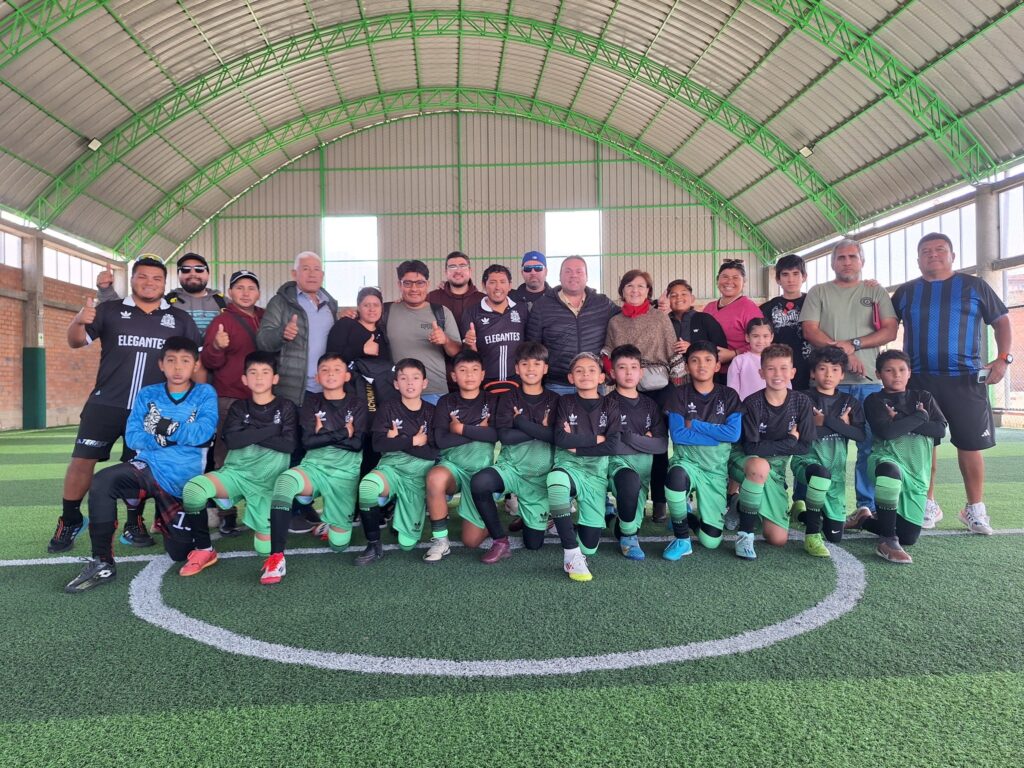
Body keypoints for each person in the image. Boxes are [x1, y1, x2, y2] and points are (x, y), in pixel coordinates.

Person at [48, 256, 203, 554]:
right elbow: (76, 341)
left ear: (164, 283)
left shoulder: (180, 319)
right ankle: (69, 520)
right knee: (82, 461)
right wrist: (79, 320)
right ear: (132, 280)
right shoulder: (109, 310)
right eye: (143, 277)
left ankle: (134, 523)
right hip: (106, 405)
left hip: (153, 412)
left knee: (141, 468)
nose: (149, 282)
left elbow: (195, 362)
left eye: (156, 278)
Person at [63, 337, 218, 592]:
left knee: (180, 552)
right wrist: (177, 433)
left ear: (195, 365)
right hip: (147, 467)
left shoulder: (204, 393)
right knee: (103, 481)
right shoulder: (148, 394)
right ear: (161, 364)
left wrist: (160, 427)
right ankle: (102, 562)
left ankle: (166, 520)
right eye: (171, 361)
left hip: (182, 481)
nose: (178, 367)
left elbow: (202, 434)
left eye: (185, 361)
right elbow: (134, 436)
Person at [890, 232, 1012, 535]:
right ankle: (927, 503)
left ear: (952, 256)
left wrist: (1004, 358)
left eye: (940, 250)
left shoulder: (975, 286)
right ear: (918, 259)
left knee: (970, 444)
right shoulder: (905, 292)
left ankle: (975, 509)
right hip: (919, 380)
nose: (933, 254)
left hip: (965, 378)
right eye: (926, 251)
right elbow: (883, 325)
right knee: (923, 444)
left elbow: (1002, 321)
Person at [801, 238, 898, 518]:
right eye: (841, 257)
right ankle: (817, 506)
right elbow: (810, 330)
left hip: (868, 384)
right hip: (827, 386)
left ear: (862, 261)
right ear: (832, 263)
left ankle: (866, 505)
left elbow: (890, 331)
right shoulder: (819, 292)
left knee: (869, 446)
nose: (846, 262)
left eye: (852, 257)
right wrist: (841, 354)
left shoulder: (875, 291)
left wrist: (851, 344)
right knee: (821, 448)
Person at [181, 351, 297, 566]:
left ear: (275, 378)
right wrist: (272, 429)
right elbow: (232, 442)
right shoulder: (238, 407)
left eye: (265, 372)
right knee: (193, 490)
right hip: (235, 474)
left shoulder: (286, 407)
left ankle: (245, 512)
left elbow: (288, 445)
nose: (259, 377)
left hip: (268, 482)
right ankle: (205, 549)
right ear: (244, 379)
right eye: (253, 372)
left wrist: (249, 432)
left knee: (264, 550)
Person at [264, 353, 368, 584]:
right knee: (285, 481)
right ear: (317, 377)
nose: (331, 374)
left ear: (347, 375)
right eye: (325, 369)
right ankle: (276, 558)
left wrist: (324, 434)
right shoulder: (311, 401)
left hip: (344, 474)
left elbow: (357, 444)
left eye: (336, 369)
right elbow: (308, 442)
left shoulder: (358, 404)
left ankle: (328, 523)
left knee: (339, 545)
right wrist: (343, 432)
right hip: (314, 467)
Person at [846, 350, 947, 564]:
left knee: (909, 536)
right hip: (885, 461)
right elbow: (886, 432)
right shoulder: (875, 400)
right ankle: (887, 541)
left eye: (902, 370)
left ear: (909, 373)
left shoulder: (923, 397)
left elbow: (939, 430)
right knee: (889, 470)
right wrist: (920, 417)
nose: (896, 375)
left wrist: (900, 418)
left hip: (916, 470)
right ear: (879, 374)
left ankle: (864, 520)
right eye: (889, 370)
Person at [470, 342, 560, 563]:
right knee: (480, 483)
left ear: (545, 368)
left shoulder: (556, 400)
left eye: (537, 364)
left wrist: (520, 422)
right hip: (511, 468)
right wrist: (540, 428)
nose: (531, 368)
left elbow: (556, 437)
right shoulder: (508, 398)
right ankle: (500, 541)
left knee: (533, 544)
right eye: (525, 363)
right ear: (517, 369)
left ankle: (533, 516)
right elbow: (505, 437)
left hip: (540, 477)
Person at [728, 344, 816, 561]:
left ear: (793, 372)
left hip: (775, 469)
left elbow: (805, 445)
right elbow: (751, 448)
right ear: (761, 372)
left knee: (777, 539)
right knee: (760, 465)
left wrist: (787, 443)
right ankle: (745, 535)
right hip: (745, 462)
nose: (778, 374)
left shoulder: (802, 401)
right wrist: (790, 440)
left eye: (784, 368)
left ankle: (740, 503)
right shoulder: (752, 403)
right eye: (771, 369)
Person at [354, 358, 439, 566]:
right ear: (395, 383)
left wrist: (398, 441)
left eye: (415, 378)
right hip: (391, 468)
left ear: (424, 383)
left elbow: (433, 453)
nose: (410, 383)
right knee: (367, 487)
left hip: (417, 475)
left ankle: (400, 510)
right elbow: (378, 444)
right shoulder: (387, 408)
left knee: (407, 544)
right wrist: (413, 440)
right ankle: (373, 543)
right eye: (404, 378)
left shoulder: (432, 412)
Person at [545, 353, 621, 582]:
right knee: (556, 481)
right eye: (579, 370)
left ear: (601, 377)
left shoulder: (611, 404)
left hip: (595, 474)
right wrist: (596, 438)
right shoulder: (564, 402)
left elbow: (612, 444)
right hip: (568, 466)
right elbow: (560, 439)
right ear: (570, 377)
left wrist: (576, 444)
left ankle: (564, 524)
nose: (585, 374)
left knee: (590, 547)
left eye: (591, 370)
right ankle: (571, 553)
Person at [662, 341, 742, 557]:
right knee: (676, 477)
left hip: (715, 471)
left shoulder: (729, 395)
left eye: (708, 360)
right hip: (687, 462)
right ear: (687, 366)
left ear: (717, 366)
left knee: (711, 541)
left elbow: (733, 434)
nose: (701, 365)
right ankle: (681, 539)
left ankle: (688, 518)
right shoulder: (678, 395)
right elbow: (678, 434)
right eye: (695, 361)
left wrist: (696, 425)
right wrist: (717, 435)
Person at [200, 269, 264, 535]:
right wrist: (216, 346)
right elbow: (209, 362)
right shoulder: (221, 321)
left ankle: (258, 511)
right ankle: (227, 514)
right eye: (240, 287)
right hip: (229, 398)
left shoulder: (265, 317)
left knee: (260, 457)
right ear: (230, 293)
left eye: (251, 287)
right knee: (226, 457)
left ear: (258, 292)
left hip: (261, 399)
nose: (246, 292)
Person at [423, 350, 500, 563]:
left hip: (480, 473)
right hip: (453, 468)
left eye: (475, 370)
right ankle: (440, 540)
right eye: (463, 370)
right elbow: (440, 440)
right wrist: (477, 431)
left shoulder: (492, 400)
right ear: (454, 375)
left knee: (471, 541)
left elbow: (496, 434)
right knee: (434, 477)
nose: (469, 375)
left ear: (483, 374)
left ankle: (488, 516)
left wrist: (459, 428)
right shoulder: (446, 402)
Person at [789, 346, 866, 556]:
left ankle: (802, 513)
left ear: (842, 374)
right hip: (806, 462)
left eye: (834, 369)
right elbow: (804, 433)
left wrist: (825, 421)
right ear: (813, 373)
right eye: (822, 369)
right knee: (820, 475)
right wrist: (842, 426)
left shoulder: (850, 402)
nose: (828, 374)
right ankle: (811, 536)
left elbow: (860, 436)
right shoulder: (801, 398)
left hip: (836, 472)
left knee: (834, 536)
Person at [605, 344, 668, 561]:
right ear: (613, 373)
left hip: (642, 474)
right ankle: (628, 535)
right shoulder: (606, 403)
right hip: (615, 468)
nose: (629, 372)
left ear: (642, 372)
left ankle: (622, 525)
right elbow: (609, 444)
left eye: (634, 367)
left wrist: (629, 437)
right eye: (622, 367)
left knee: (625, 524)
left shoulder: (650, 405)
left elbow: (661, 445)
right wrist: (643, 439)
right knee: (628, 479)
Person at [525, 256, 620, 395]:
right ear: (559, 276)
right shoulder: (542, 306)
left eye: (579, 271)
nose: (573, 275)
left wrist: (660, 309)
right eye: (568, 271)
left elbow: (629, 316)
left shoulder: (602, 304)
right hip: (556, 385)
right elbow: (533, 347)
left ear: (587, 276)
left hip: (593, 384)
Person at [256, 251, 339, 408]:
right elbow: (262, 341)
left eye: (316, 269)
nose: (312, 274)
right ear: (294, 274)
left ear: (322, 275)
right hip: (293, 390)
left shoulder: (330, 305)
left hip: (327, 387)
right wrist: (282, 333)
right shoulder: (280, 302)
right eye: (306, 269)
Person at [381, 259, 461, 405]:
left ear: (427, 284)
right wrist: (350, 314)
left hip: (435, 392)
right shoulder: (386, 312)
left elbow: (457, 352)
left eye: (420, 283)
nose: (414, 289)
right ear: (399, 285)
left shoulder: (441, 313)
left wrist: (445, 340)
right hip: (397, 394)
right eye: (407, 283)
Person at [98, 251, 227, 335]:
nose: (192, 273)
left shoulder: (224, 302)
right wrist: (106, 290)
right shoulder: (166, 302)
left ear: (208, 273)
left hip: (216, 372)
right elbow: (125, 312)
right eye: (186, 270)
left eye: (199, 269)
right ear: (178, 275)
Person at [460, 264, 529, 392]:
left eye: (502, 282)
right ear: (483, 285)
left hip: (517, 383)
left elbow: (531, 343)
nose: (498, 287)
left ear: (509, 285)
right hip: (485, 384)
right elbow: (466, 353)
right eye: (492, 282)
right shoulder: (471, 313)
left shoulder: (522, 309)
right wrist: (469, 344)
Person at [702, 259, 763, 373]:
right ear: (717, 280)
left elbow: (762, 342)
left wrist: (734, 353)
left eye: (735, 277)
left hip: (741, 371)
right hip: (709, 372)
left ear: (744, 282)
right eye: (724, 276)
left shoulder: (749, 308)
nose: (729, 281)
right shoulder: (709, 308)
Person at [760, 254, 811, 390]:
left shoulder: (814, 303)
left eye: (796, 274)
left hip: (810, 367)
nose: (791, 279)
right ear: (778, 279)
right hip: (779, 370)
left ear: (804, 277)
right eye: (785, 274)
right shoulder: (767, 308)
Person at [727, 317, 782, 401]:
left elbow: (786, 387)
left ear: (771, 337)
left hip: (774, 409)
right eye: (755, 336)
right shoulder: (739, 361)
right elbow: (732, 392)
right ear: (747, 337)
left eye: (765, 336)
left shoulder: (779, 360)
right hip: (746, 410)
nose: (761, 341)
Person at [426, 251, 485, 326]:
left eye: (462, 266)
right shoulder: (432, 298)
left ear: (470, 271)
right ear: (446, 272)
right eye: (452, 267)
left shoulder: (482, 300)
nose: (458, 271)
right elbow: (421, 324)